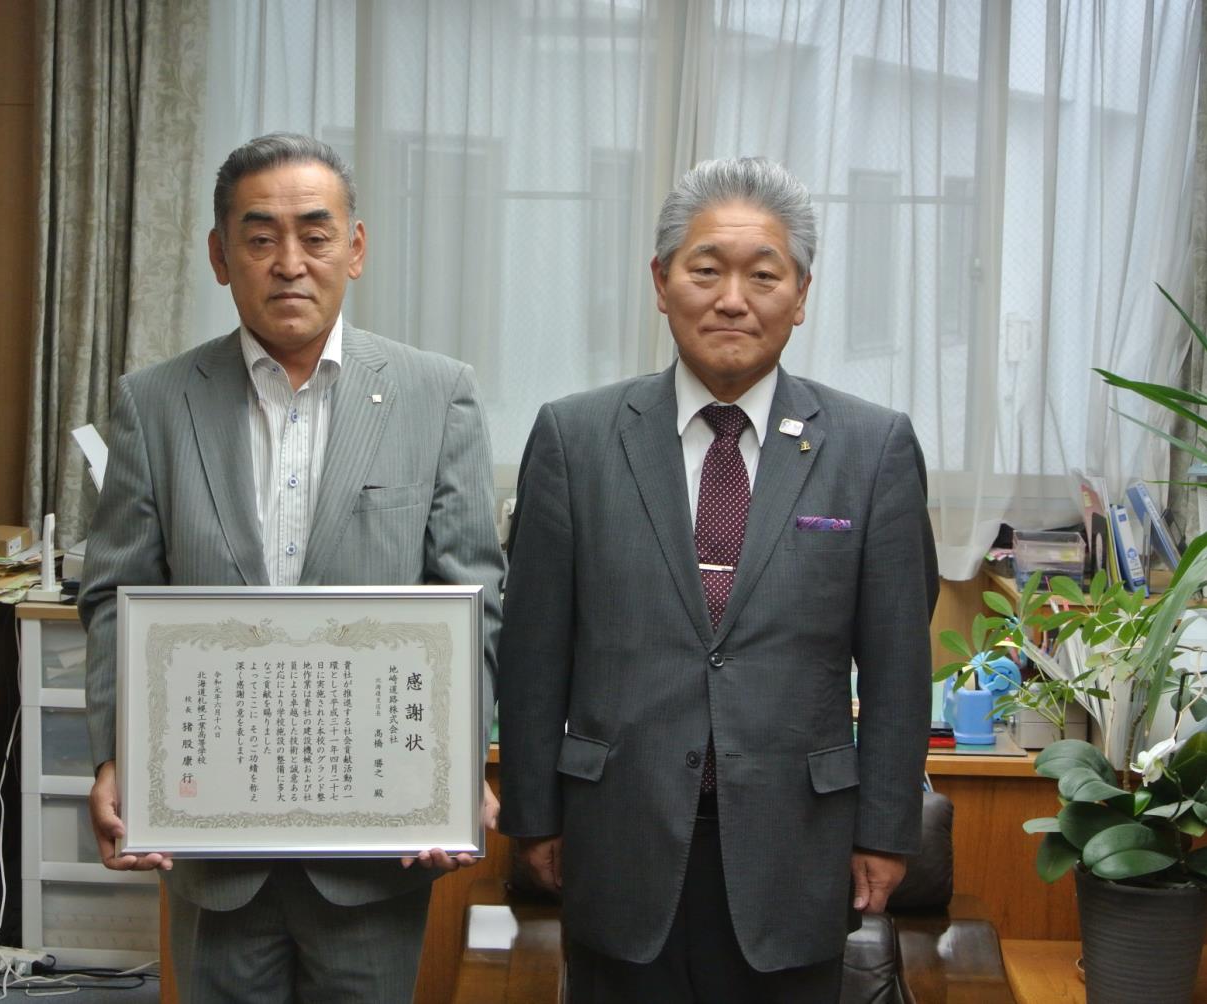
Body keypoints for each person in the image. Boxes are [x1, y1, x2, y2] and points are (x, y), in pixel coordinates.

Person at [497, 156, 939, 1003]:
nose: (732, 298)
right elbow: (532, 654)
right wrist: (534, 813)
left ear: (801, 294)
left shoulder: (871, 448)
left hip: (797, 846)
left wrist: (886, 828)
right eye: (706, 270)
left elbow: (896, 665)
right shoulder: (576, 438)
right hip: (617, 834)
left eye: (763, 275)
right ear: (662, 282)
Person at [79, 132, 504, 1003]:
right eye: (260, 236)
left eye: (315, 235)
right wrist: (118, 756)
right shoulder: (154, 403)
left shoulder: (436, 392)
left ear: (355, 248)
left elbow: (473, 598)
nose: (289, 262)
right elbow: (117, 597)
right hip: (213, 841)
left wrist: (460, 765)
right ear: (219, 255)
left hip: (376, 845)